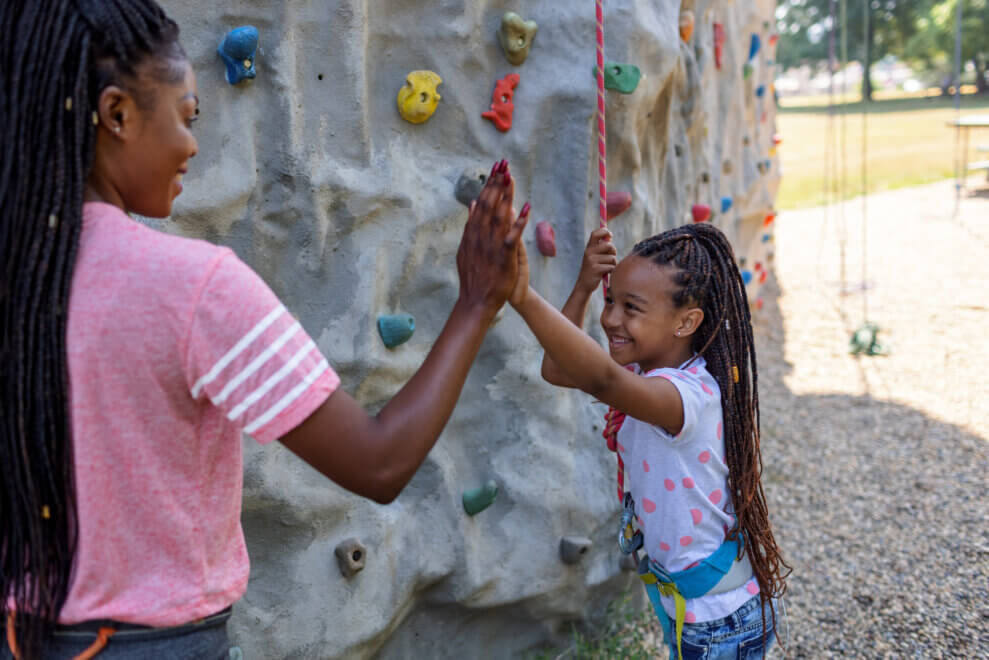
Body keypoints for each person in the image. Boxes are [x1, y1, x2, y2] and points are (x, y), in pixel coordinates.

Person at [0, 1, 530, 658]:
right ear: (116, 115)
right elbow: (379, 462)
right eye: (186, 117)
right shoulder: (193, 288)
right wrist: (476, 304)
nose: (192, 145)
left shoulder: (19, 283)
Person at [507, 223, 789, 659]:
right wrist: (583, 286)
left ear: (686, 322)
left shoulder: (684, 397)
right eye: (610, 301)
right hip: (693, 607)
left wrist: (522, 296)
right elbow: (557, 370)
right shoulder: (646, 376)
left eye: (631, 308)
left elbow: (599, 377)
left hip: (717, 619)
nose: (611, 319)